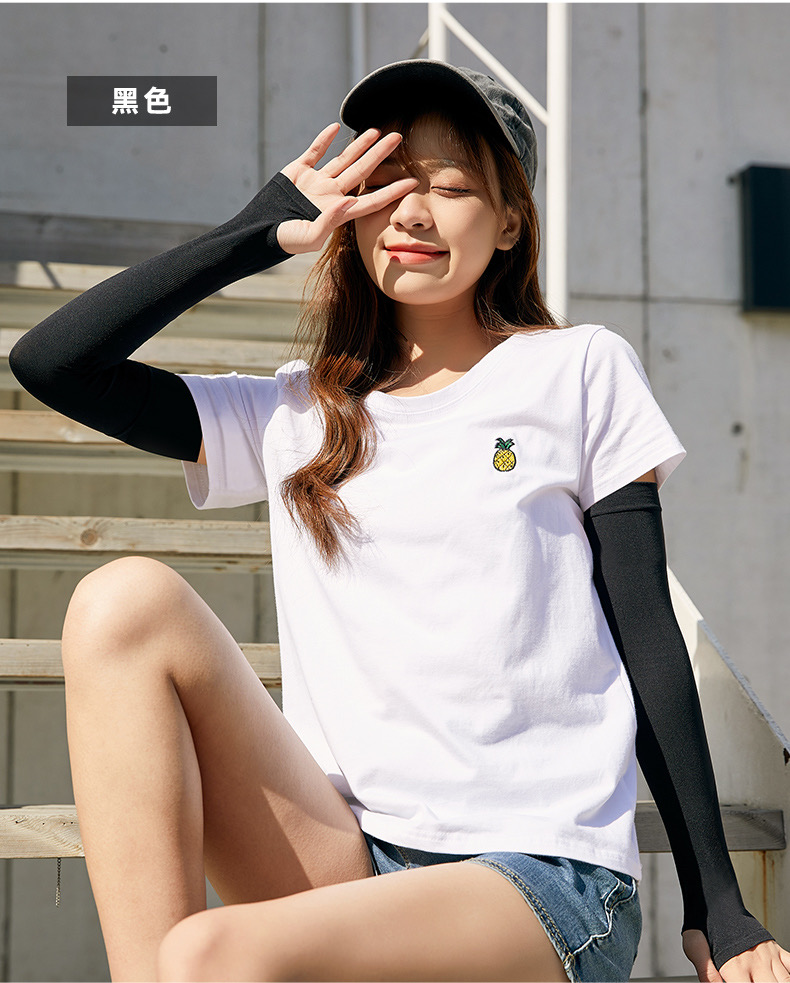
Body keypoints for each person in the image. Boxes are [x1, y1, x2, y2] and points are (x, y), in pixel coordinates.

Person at [8, 59, 790, 983]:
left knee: (210, 953)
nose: (412, 213)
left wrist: (717, 905)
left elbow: (647, 634)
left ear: (510, 222)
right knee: (121, 603)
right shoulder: (299, 411)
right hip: (345, 854)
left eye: (451, 188)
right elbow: (54, 364)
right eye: (387, 184)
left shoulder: (577, 369)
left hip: (539, 875)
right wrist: (255, 233)